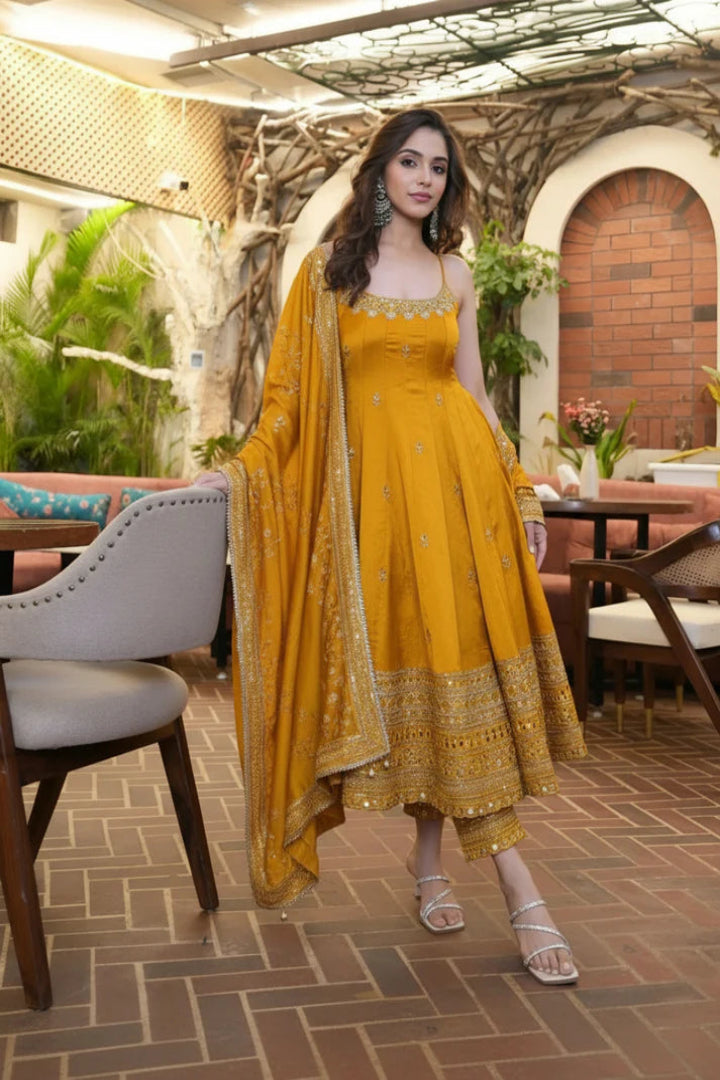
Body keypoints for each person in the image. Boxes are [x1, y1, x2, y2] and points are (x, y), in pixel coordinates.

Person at [198, 107, 587, 985]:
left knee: (459, 668)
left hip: (458, 502)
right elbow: (287, 410)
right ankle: (449, 871)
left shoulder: (455, 270)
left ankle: (499, 885)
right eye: (409, 162)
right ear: (378, 171)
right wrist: (236, 475)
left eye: (438, 168)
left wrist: (520, 485)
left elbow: (477, 394)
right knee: (414, 667)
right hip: (370, 514)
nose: (423, 178)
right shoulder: (330, 274)